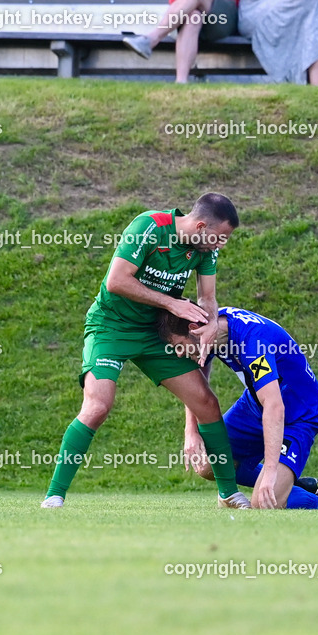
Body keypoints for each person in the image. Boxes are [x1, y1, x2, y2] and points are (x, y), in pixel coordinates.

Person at [41, 194, 250, 509]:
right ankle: (54, 496)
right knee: (98, 407)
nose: (222, 245)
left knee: (206, 402)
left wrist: (207, 324)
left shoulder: (204, 251)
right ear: (202, 225)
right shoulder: (150, 226)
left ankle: (229, 495)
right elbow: (116, 281)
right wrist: (170, 302)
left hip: (156, 333)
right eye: (220, 237)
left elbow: (207, 297)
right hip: (110, 327)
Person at [159, 306, 318, 509]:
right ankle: (290, 484)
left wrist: (270, 472)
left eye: (180, 346)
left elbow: (275, 406)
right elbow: (197, 377)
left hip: (298, 414)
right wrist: (191, 430)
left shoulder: (254, 343)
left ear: (193, 329)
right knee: (207, 463)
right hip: (256, 405)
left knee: (263, 503)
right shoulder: (212, 328)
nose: (179, 354)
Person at [123, 0, 240, 83]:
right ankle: (181, 82)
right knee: (194, 16)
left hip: (222, 16)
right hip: (182, 13)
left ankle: (151, 39)